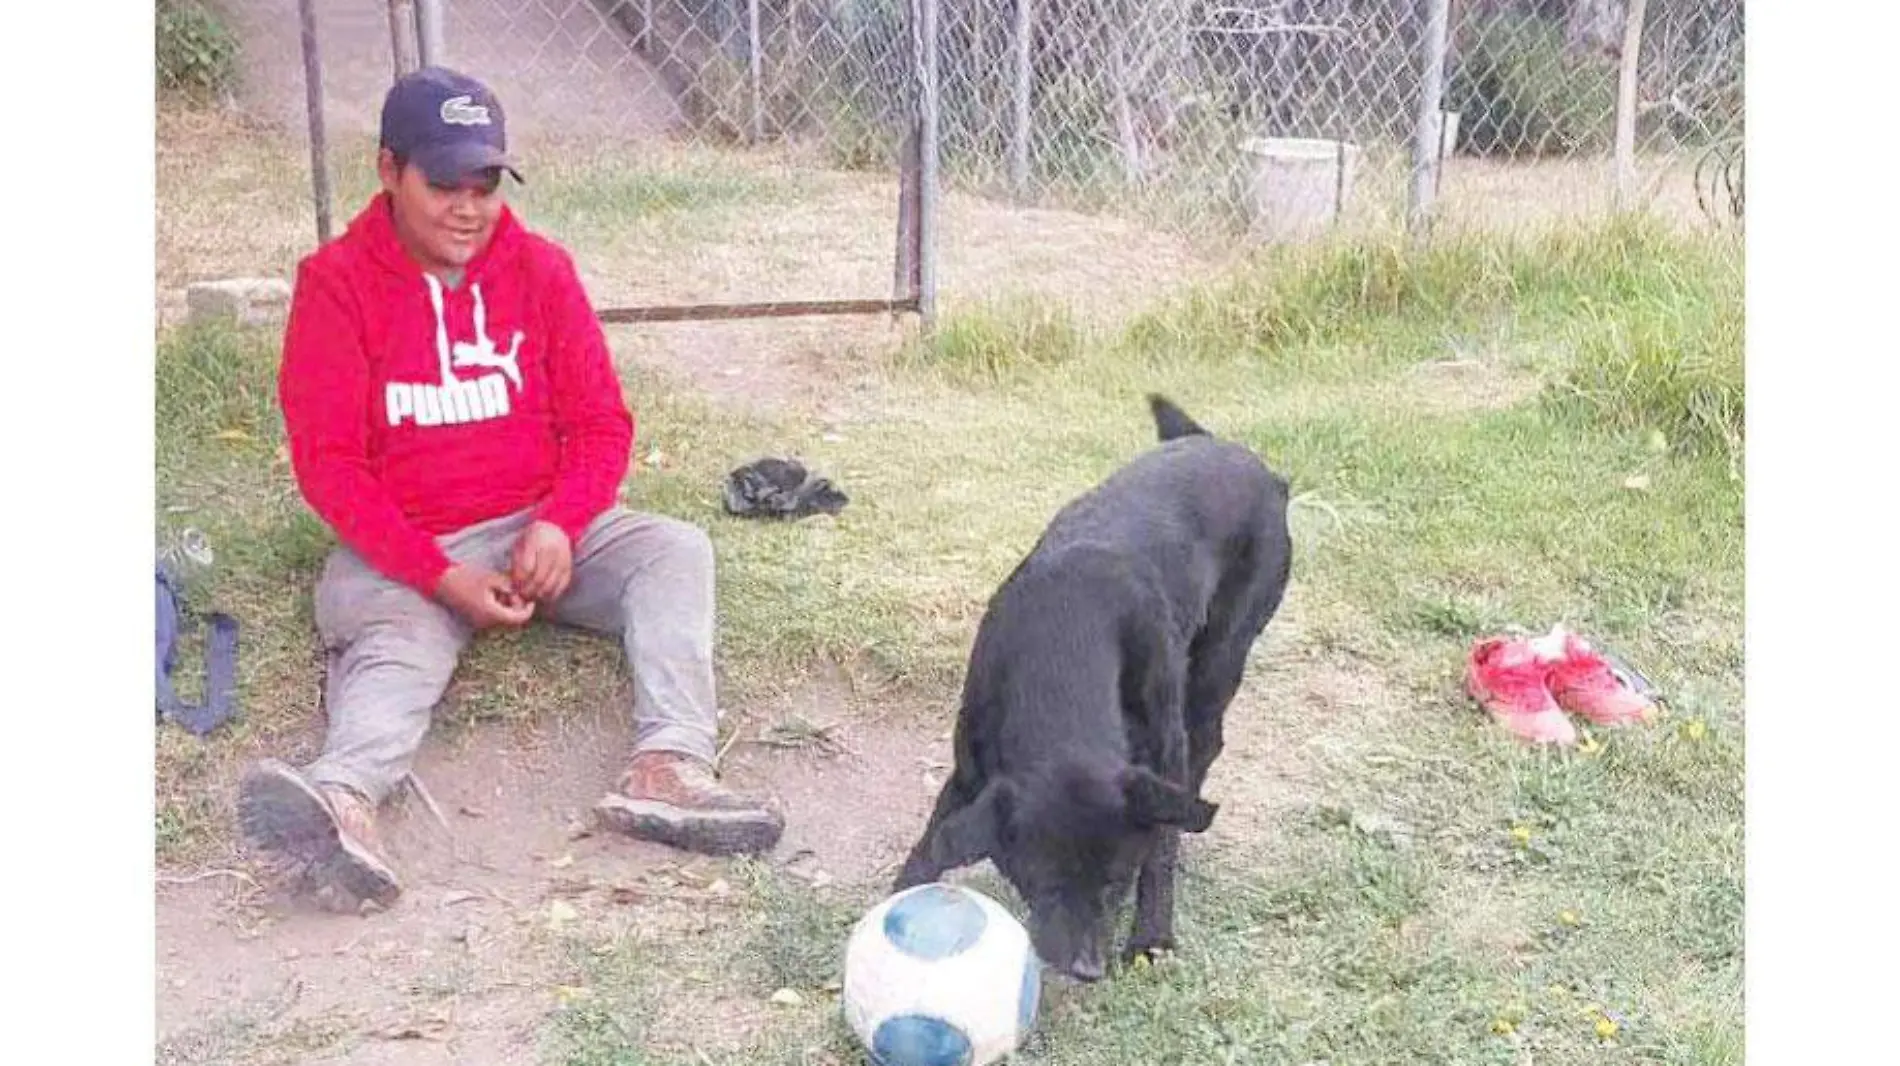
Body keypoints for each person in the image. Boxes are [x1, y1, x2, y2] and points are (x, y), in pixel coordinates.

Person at [238, 66, 783, 911]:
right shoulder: (336, 283)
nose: (468, 206)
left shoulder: (540, 270)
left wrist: (563, 525)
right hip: (411, 550)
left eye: (484, 183)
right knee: (400, 646)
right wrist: (440, 574)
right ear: (389, 171)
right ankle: (343, 802)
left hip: (538, 527)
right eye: (442, 183)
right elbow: (330, 466)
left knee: (675, 551)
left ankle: (668, 766)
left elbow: (602, 424)